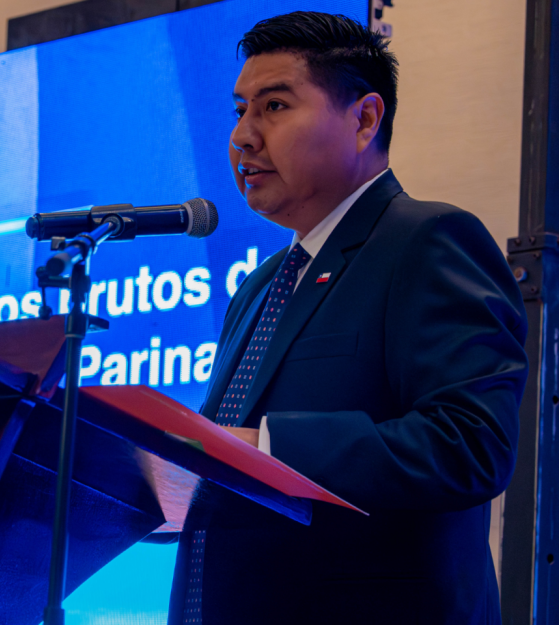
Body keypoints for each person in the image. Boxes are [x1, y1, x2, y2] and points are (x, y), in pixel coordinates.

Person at [168, 11, 528, 625]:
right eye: (240, 110)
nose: (243, 137)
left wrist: (269, 447)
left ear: (364, 119)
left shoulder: (428, 239)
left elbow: (472, 444)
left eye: (274, 106)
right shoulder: (259, 287)